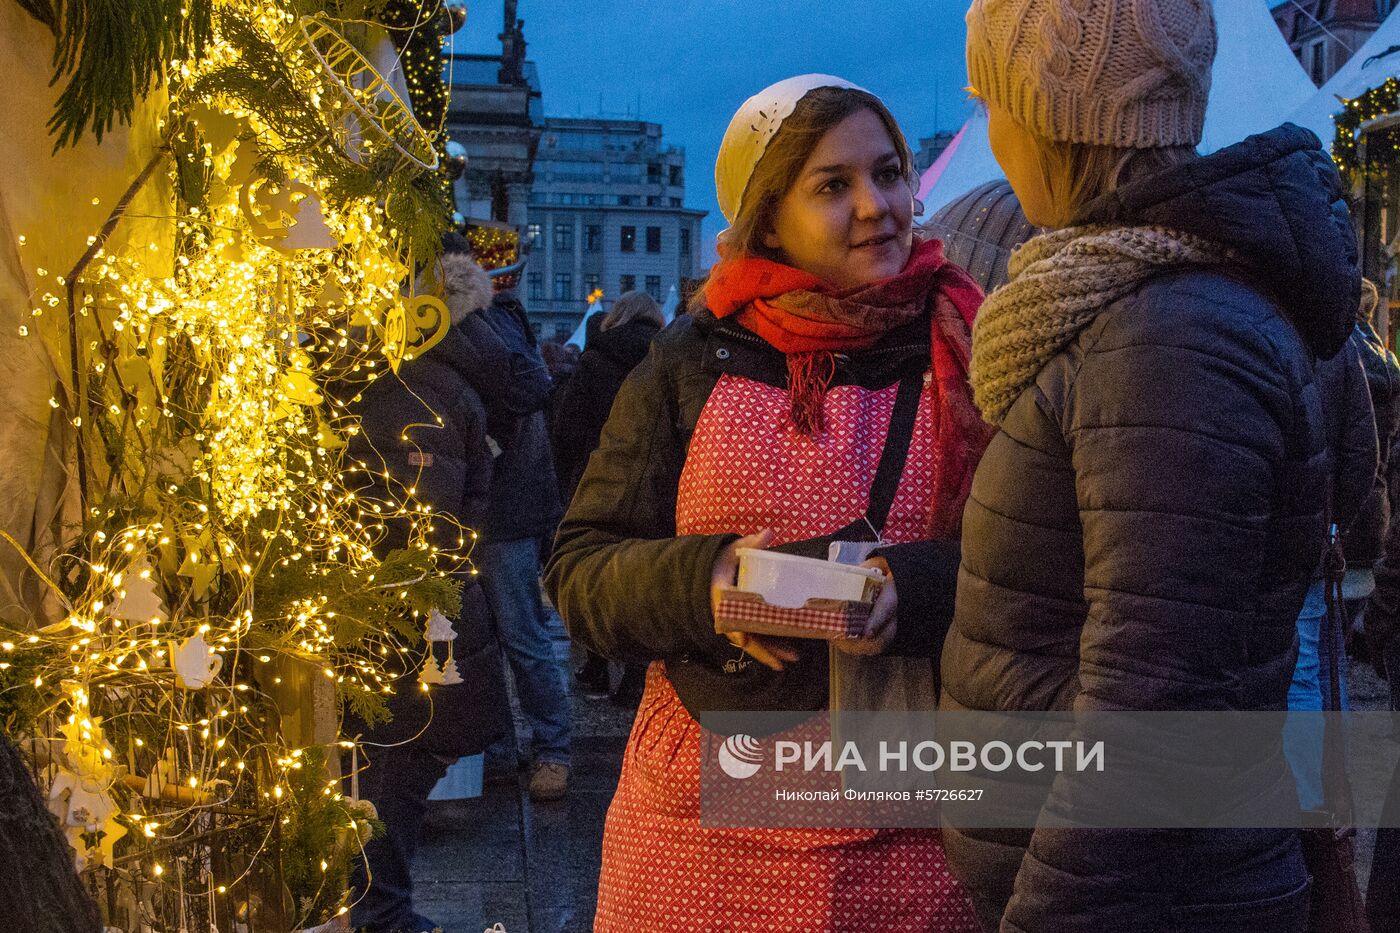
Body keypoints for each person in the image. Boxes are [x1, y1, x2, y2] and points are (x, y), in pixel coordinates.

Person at [941, 1, 1373, 930]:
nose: (996, 137)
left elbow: (1150, 702)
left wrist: (1045, 913)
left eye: (995, 104)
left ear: (1055, 118)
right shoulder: (1142, 308)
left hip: (1147, 898)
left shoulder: (1166, 338)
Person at [545, 74, 990, 931]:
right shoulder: (687, 363)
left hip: (912, 835)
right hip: (701, 833)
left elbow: (1035, 561)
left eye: (890, 172)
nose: (878, 205)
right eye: (834, 185)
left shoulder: (969, 344)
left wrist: (914, 587)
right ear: (768, 214)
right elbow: (580, 569)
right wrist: (709, 581)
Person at [343, 249, 509, 933]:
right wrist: (435, 581)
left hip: (410, 590)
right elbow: (440, 505)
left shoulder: (416, 383)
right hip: (416, 595)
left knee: (400, 750)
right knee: (403, 752)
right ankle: (378, 906)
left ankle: (377, 900)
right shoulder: (436, 390)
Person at [443, 235, 573, 804]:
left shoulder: (480, 325)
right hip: (485, 501)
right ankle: (505, 746)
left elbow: (530, 390)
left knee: (518, 633)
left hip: (502, 506)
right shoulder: (486, 323)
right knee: (487, 635)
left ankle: (551, 747)